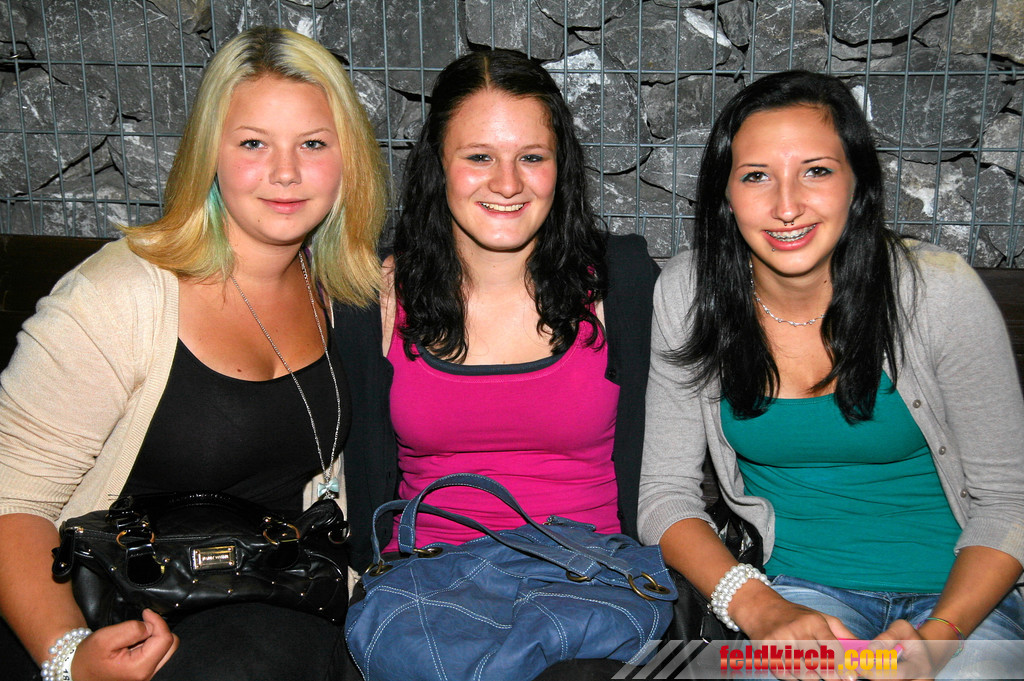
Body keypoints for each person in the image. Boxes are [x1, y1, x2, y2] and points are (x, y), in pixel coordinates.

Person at [0, 26, 386, 681]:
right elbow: (13, 499)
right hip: (121, 621)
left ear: (348, 159)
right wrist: (70, 658)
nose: (286, 172)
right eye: (254, 143)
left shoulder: (345, 292)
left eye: (313, 143)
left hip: (278, 609)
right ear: (210, 153)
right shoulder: (115, 298)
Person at [639, 69, 1024, 679]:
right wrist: (758, 606)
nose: (787, 205)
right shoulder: (689, 295)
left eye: (816, 171)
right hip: (800, 592)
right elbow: (664, 496)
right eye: (756, 175)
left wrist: (938, 639)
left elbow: (1010, 499)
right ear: (725, 194)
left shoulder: (938, 291)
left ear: (857, 183)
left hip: (964, 602)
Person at [334, 48, 660, 677]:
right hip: (426, 590)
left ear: (561, 167)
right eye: (479, 157)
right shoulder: (374, 298)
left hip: (588, 583)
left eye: (531, 157)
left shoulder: (621, 287)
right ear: (438, 164)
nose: (507, 184)